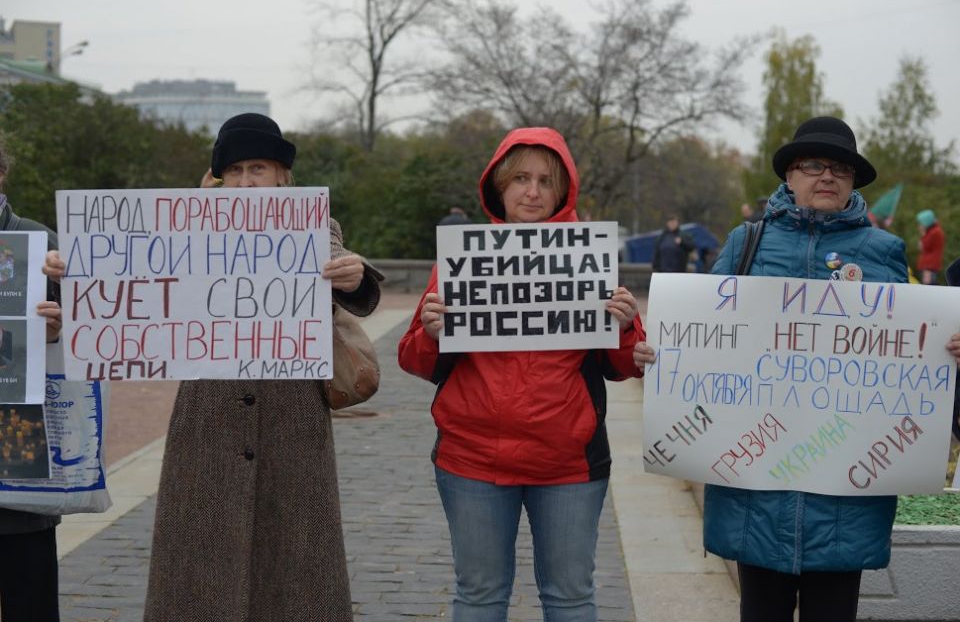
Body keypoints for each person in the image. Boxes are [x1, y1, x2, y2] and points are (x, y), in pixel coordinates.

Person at [43, 113, 382, 621]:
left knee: (295, 560)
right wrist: (78, 272)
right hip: (208, 417)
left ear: (283, 175)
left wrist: (353, 277)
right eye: (237, 170)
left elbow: (352, 282)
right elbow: (130, 278)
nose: (248, 182)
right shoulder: (182, 232)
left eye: (259, 169)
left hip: (292, 419)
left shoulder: (314, 227)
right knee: (200, 565)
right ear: (220, 177)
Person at [635, 116, 924, 622]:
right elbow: (703, 336)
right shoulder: (746, 244)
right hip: (757, 492)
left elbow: (906, 353)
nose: (827, 176)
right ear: (789, 176)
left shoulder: (883, 255)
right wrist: (661, 354)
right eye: (812, 165)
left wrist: (946, 350)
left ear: (854, 181)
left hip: (843, 497)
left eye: (840, 168)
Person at [398, 127, 645, 622]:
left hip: (568, 462)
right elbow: (416, 361)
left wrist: (624, 326)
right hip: (472, 459)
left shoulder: (588, 257)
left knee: (571, 596)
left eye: (545, 181)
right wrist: (429, 332)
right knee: (479, 595)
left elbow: (622, 366)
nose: (532, 192)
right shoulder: (462, 260)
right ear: (498, 186)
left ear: (562, 190)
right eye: (520, 179)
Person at [0, 139, 65, 622]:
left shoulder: (38, 243)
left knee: (29, 597)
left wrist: (60, 328)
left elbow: (99, 332)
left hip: (18, 438)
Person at [916, 208, 945, 284]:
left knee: (928, 287)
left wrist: (923, 233)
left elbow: (923, 246)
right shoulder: (933, 231)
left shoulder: (934, 232)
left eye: (921, 223)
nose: (920, 225)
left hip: (929, 266)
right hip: (929, 265)